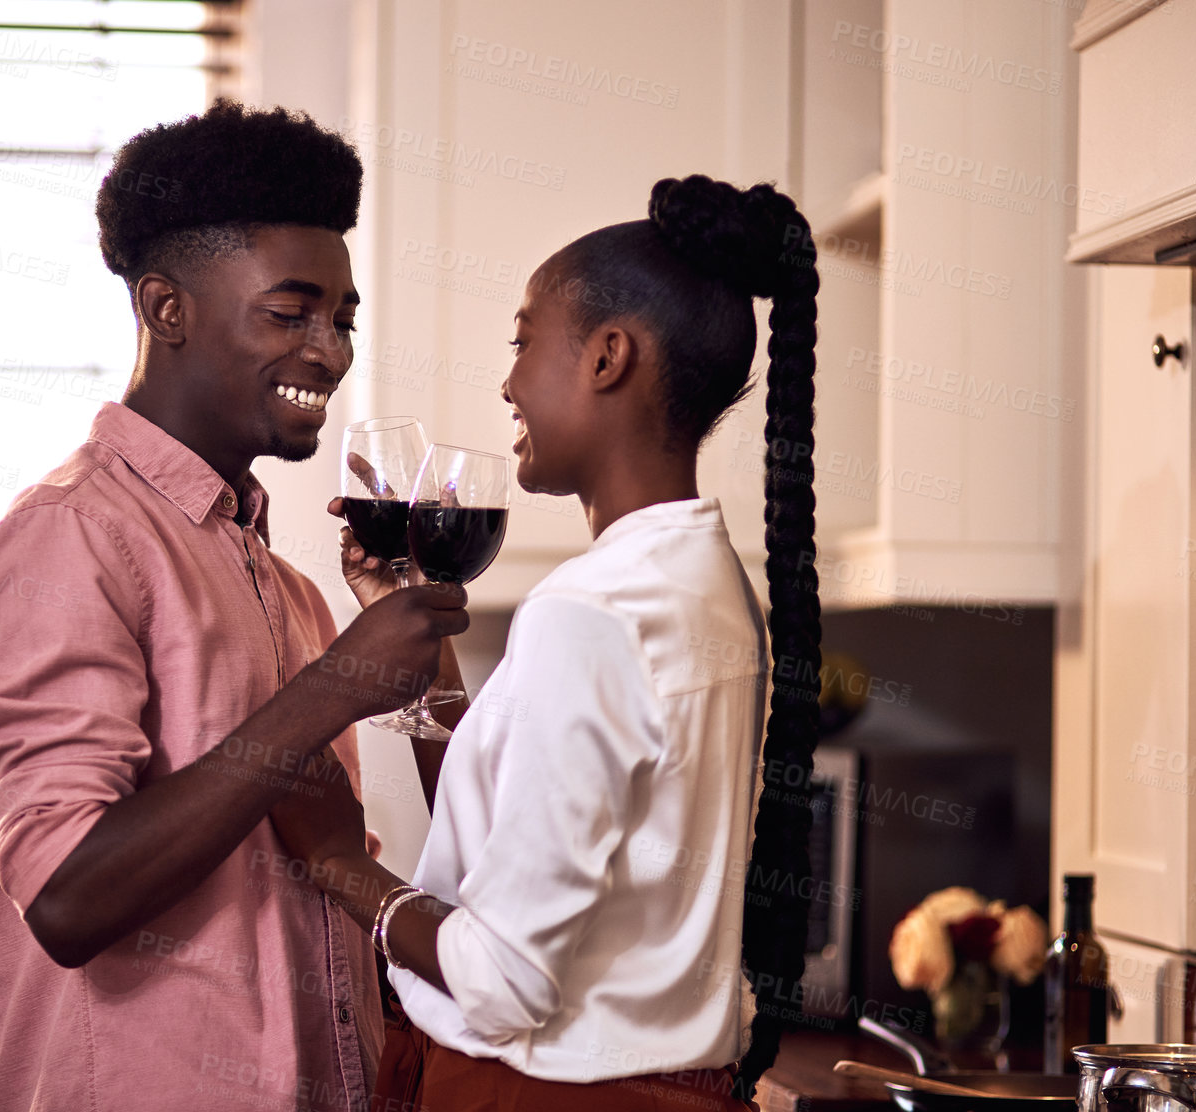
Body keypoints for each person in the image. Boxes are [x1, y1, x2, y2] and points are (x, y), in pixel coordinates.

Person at [0, 101, 470, 1112]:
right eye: (290, 311)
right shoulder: (65, 543)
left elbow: (327, 873)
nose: (329, 351)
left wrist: (414, 662)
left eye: (343, 319)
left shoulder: (291, 585)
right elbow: (67, 896)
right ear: (166, 307)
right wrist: (338, 684)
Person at [270, 173, 823, 1111]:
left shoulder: (592, 608)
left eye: (523, 340)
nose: (507, 381)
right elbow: (515, 838)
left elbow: (498, 981)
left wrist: (338, 866)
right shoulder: (700, 581)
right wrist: (421, 624)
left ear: (608, 356)